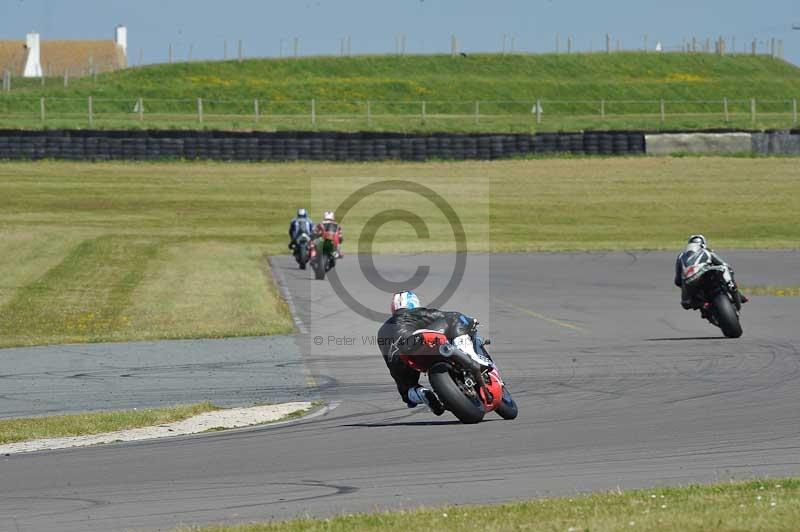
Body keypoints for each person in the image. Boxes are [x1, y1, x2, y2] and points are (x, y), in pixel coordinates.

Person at [376, 290, 481, 416]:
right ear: (413, 302)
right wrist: (470, 321)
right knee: (453, 318)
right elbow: (445, 315)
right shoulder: (415, 313)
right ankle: (471, 356)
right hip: (416, 342)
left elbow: (389, 361)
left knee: (407, 391)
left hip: (399, 360)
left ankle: (420, 393)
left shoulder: (382, 331)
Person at [674, 234, 748, 310]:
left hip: (694, 285)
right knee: (726, 269)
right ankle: (736, 293)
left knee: (688, 302)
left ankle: (703, 304)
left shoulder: (681, 256)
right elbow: (725, 265)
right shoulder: (707, 252)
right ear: (703, 244)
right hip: (702, 284)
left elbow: (677, 281)